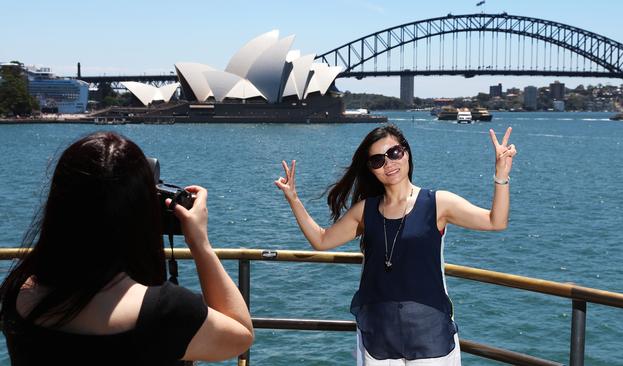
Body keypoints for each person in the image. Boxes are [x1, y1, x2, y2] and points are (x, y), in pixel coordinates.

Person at [0, 131, 254, 365]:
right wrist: (199, 243)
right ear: (142, 212)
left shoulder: (17, 294)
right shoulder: (166, 313)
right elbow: (240, 335)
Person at [275, 124, 516, 365]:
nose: (389, 164)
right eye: (378, 160)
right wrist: (293, 199)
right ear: (371, 169)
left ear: (407, 152)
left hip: (430, 334)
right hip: (378, 336)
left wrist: (501, 176)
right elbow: (321, 240)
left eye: (394, 153)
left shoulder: (438, 203)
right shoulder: (365, 211)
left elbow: (496, 222)